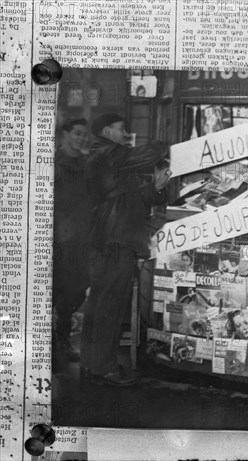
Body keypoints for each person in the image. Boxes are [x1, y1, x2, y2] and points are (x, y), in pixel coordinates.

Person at [80, 113, 171, 386]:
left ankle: (92, 363)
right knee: (109, 306)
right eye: (121, 129)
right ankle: (104, 368)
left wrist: (156, 187)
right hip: (115, 241)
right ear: (106, 130)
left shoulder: (109, 159)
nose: (126, 134)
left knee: (102, 304)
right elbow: (144, 155)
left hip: (111, 239)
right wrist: (166, 143)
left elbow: (132, 196)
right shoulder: (107, 152)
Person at [53, 118, 92, 369]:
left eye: (84, 135)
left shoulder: (87, 164)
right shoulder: (52, 163)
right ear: (65, 134)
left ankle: (62, 342)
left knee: (76, 291)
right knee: (55, 292)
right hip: (56, 239)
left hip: (81, 239)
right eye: (77, 133)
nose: (81, 138)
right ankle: (55, 348)